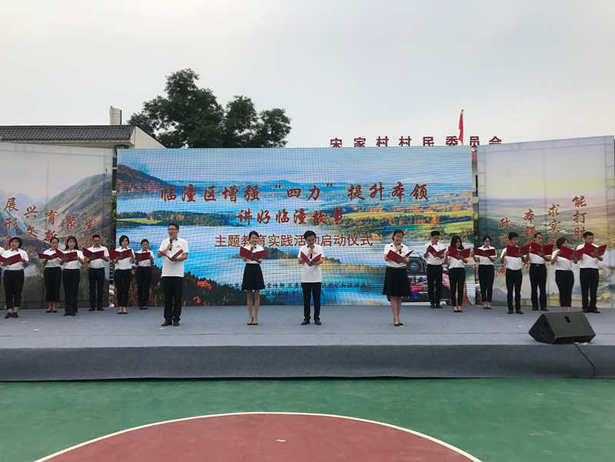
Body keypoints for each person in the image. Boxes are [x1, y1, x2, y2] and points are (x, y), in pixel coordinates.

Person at [158, 223, 189, 326]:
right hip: (166, 273)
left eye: (172, 229)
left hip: (178, 273)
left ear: (177, 230)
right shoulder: (164, 242)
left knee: (177, 298)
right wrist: (167, 248)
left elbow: (185, 256)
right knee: (167, 298)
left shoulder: (183, 242)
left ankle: (176, 319)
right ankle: (167, 319)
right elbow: (159, 254)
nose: (170, 231)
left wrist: (177, 259)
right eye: (169, 229)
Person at [383, 229, 411, 326]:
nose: (399, 238)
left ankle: (397, 316)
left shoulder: (405, 247)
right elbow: (386, 258)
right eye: (397, 236)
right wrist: (396, 250)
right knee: (393, 296)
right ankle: (396, 318)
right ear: (393, 236)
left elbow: (407, 260)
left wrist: (402, 259)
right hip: (391, 271)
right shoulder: (388, 246)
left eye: (401, 236)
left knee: (399, 296)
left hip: (401, 271)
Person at [298, 230, 324, 325]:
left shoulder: (319, 247)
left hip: (317, 278)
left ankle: (317, 318)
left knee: (317, 299)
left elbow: (322, 260)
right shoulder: (302, 248)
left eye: (313, 240)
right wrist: (308, 254)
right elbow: (300, 261)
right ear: (305, 240)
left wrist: (314, 263)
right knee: (306, 299)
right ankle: (306, 318)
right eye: (309, 240)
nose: (311, 242)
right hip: (305, 278)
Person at [241, 231, 265, 325]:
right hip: (248, 269)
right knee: (249, 294)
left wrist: (251, 256)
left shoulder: (260, 248)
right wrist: (250, 251)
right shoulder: (245, 247)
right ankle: (250, 317)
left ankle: (256, 317)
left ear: (258, 239)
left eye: (256, 238)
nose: (254, 239)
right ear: (249, 239)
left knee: (257, 293)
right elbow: (244, 259)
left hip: (256, 269)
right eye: (252, 238)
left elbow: (260, 261)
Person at [576, 231, 603, 313]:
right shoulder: (580, 247)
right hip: (584, 270)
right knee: (584, 289)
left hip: (594, 270)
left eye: (592, 238)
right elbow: (576, 259)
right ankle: (585, 307)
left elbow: (601, 259)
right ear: (584, 239)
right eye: (589, 239)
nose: (591, 240)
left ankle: (593, 307)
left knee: (593, 289)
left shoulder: (596, 247)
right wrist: (580, 255)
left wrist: (596, 255)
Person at [2, 237, 29, 319]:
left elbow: (27, 264)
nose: (14, 243)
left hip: (18, 273)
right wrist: (6, 262)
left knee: (18, 292)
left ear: (19, 244)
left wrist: (23, 261)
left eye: (16, 242)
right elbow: (2, 264)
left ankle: (15, 310)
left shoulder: (23, 252)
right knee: (8, 292)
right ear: (10, 243)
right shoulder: (5, 253)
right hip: (8, 273)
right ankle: (9, 310)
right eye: (12, 242)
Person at [500, 231, 525, 314]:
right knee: (510, 291)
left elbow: (524, 261)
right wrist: (504, 255)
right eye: (514, 239)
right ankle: (510, 308)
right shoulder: (505, 250)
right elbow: (501, 262)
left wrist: (522, 256)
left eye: (517, 239)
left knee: (518, 291)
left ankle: (518, 308)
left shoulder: (519, 249)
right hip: (509, 272)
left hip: (518, 272)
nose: (516, 241)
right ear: (510, 240)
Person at [62, 236, 85, 316]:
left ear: (75, 243)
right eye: (70, 242)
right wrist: (63, 260)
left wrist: (78, 258)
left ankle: (73, 308)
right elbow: (60, 263)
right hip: (66, 271)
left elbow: (83, 262)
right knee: (67, 291)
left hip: (75, 271)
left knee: (74, 290)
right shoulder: (64, 252)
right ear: (67, 243)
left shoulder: (79, 252)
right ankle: (67, 309)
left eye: (73, 242)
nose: (71, 244)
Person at [85, 234, 109, 311]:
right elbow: (86, 260)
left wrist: (102, 256)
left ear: (100, 240)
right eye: (95, 241)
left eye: (98, 241)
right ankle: (92, 306)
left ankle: (100, 306)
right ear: (92, 241)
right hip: (91, 270)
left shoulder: (104, 249)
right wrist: (90, 259)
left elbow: (107, 259)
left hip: (101, 270)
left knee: (100, 288)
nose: (97, 242)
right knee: (92, 288)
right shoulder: (89, 249)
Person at [551, 237, 575, 312]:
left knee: (569, 291)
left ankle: (569, 308)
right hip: (560, 273)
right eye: (564, 243)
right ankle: (564, 309)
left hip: (569, 273)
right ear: (560, 244)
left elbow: (576, 261)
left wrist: (574, 257)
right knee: (562, 291)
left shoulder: (570, 251)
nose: (566, 244)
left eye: (567, 243)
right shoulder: (556, 252)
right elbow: (552, 262)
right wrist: (557, 255)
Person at [423, 230, 446, 309]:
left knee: (439, 285)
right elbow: (425, 256)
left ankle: (438, 302)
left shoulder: (441, 245)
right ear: (431, 237)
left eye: (437, 238)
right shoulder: (427, 245)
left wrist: (438, 255)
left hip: (439, 266)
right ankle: (432, 302)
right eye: (435, 238)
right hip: (430, 266)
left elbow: (443, 256)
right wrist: (427, 251)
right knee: (430, 285)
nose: (436, 239)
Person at [112, 235, 134, 315]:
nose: (125, 242)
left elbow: (133, 261)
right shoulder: (117, 250)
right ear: (120, 242)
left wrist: (132, 256)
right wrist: (117, 258)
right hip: (119, 271)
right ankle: (120, 306)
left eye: (126, 241)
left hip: (127, 271)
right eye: (123, 241)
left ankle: (124, 307)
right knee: (119, 290)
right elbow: (114, 261)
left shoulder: (130, 250)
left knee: (125, 289)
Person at [445, 235, 468, 313]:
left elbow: (466, 261)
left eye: (459, 242)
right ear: (453, 242)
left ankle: (460, 305)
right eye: (456, 242)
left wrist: (461, 257)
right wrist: (446, 255)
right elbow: (447, 263)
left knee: (460, 288)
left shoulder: (462, 250)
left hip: (461, 270)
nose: (458, 243)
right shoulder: (450, 250)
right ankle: (454, 305)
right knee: (453, 288)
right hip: (452, 270)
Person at [528, 232, 550, 312]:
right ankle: (535, 306)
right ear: (534, 238)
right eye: (538, 238)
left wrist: (542, 255)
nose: (540, 239)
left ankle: (543, 306)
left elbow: (549, 259)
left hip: (542, 268)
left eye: (541, 238)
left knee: (542, 288)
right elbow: (525, 260)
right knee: (533, 287)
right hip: (533, 267)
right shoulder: (530, 247)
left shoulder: (544, 248)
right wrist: (528, 252)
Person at [473, 235, 496, 309]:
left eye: (488, 241)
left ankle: (489, 302)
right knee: (482, 285)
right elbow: (477, 260)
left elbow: (493, 260)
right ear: (483, 242)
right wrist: (473, 256)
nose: (487, 243)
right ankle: (484, 302)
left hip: (490, 267)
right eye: (486, 241)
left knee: (489, 285)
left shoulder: (492, 249)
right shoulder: (480, 249)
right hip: (482, 267)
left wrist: (488, 255)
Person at [41, 236, 62, 313]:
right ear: (50, 243)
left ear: (58, 243)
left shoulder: (60, 252)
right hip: (48, 270)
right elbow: (43, 263)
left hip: (57, 269)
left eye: (56, 243)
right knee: (48, 287)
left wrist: (60, 258)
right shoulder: (46, 252)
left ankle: (54, 306)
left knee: (56, 287)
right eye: (53, 243)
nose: (55, 244)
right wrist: (47, 259)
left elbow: (62, 263)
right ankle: (49, 306)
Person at [135, 239, 154, 310]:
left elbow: (152, 263)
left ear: (148, 245)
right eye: (144, 245)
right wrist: (137, 260)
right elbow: (136, 263)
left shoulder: (150, 252)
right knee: (140, 286)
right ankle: (140, 303)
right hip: (140, 269)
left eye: (146, 244)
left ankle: (145, 303)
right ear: (141, 245)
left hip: (148, 269)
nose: (145, 246)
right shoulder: (138, 252)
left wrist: (151, 258)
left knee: (146, 286)